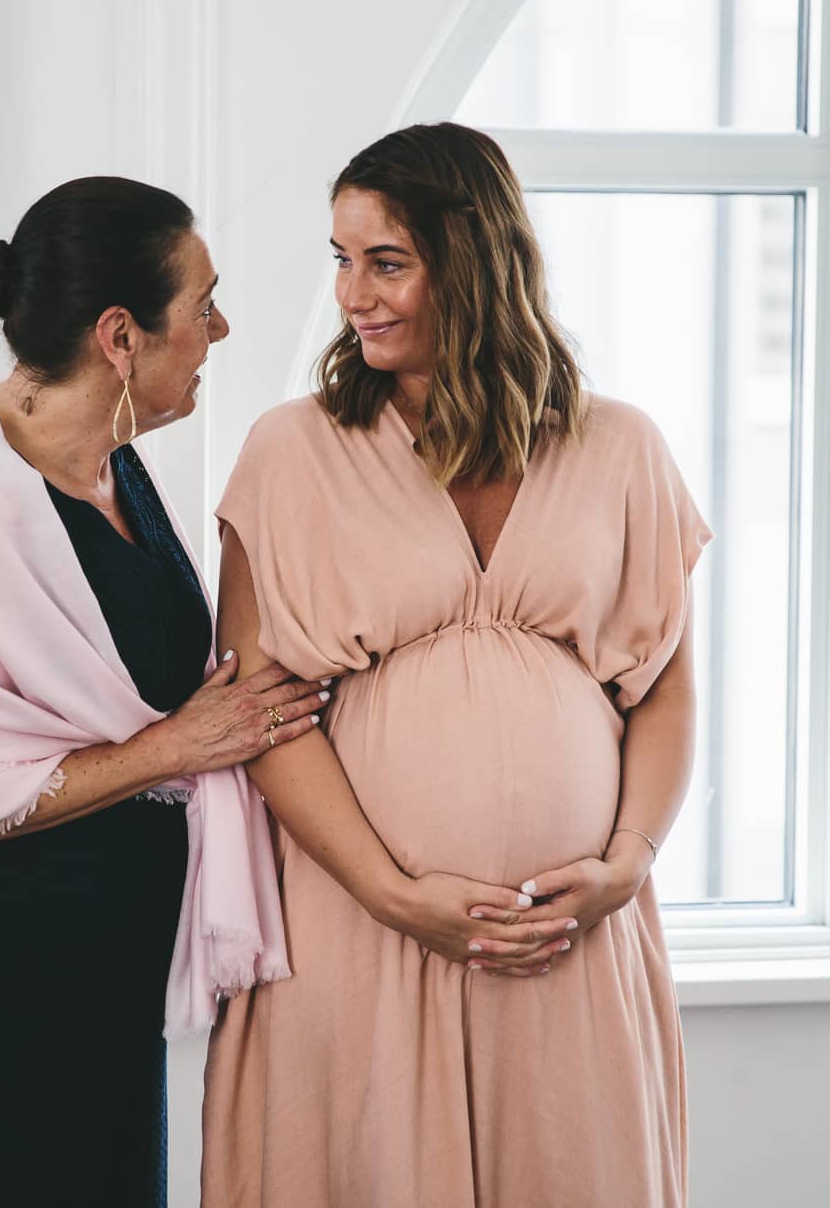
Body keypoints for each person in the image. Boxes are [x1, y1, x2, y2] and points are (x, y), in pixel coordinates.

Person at [200, 124, 710, 1206]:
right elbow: (256, 714)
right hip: (361, 928)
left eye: (386, 262)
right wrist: (393, 893)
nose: (352, 295)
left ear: (473, 263)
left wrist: (624, 860)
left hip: (565, 938)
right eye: (340, 260)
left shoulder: (619, 448)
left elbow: (662, 684)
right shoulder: (291, 452)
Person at [0, 176, 322, 1207]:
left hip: (76, 962)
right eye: (201, 304)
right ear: (119, 335)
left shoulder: (112, 470)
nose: (220, 327)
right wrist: (174, 747)